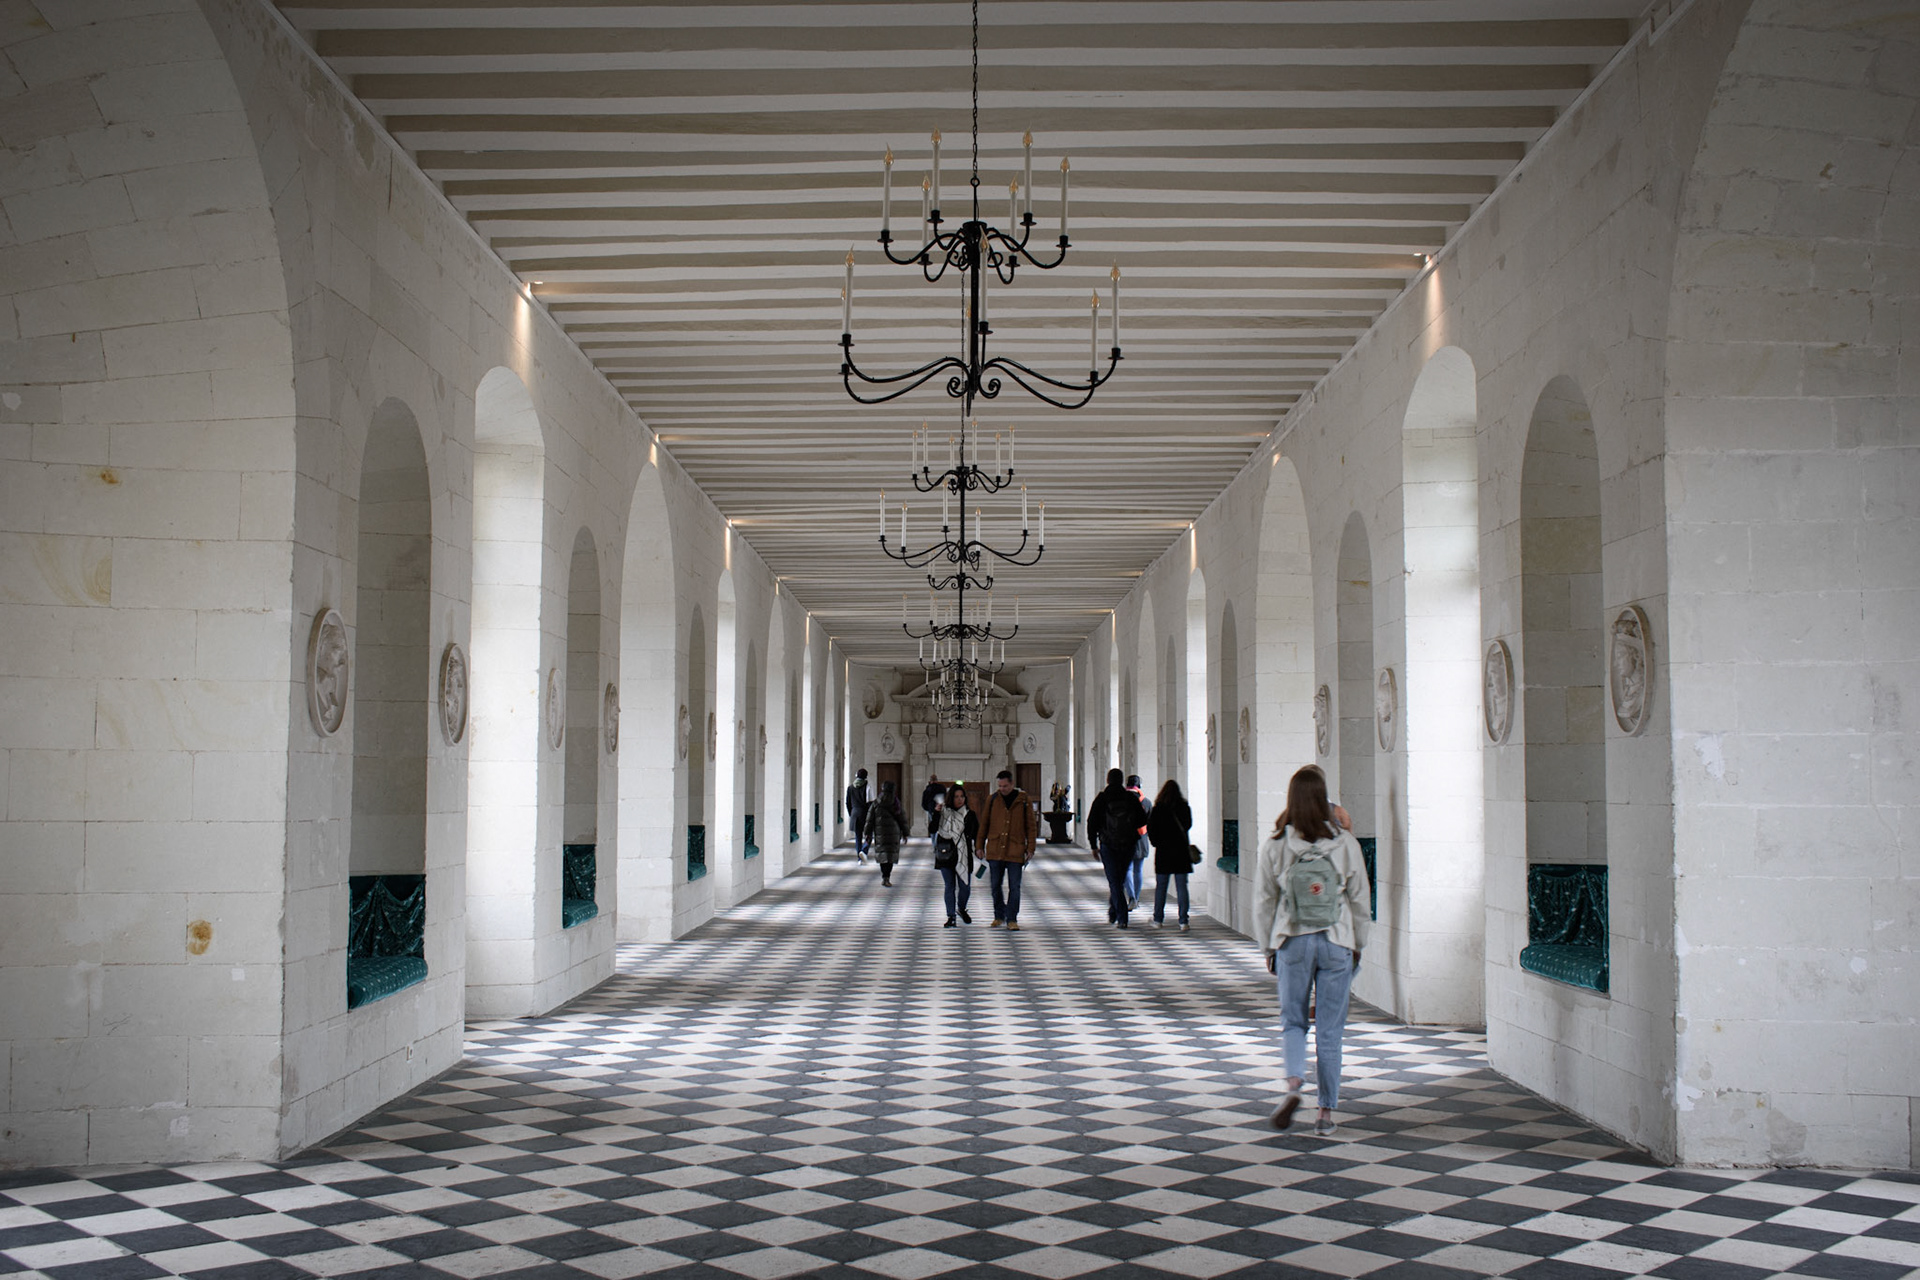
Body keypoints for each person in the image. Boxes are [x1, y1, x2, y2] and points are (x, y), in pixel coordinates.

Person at [1254, 765, 1372, 1137]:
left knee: (1293, 1022)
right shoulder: (1346, 844)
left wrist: (1268, 946)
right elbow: (1360, 900)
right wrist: (1358, 944)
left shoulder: (1275, 844)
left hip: (1293, 940)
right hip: (1337, 941)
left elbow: (1264, 901)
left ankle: (1293, 1085)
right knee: (1330, 1031)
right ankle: (1325, 1114)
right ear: (1324, 800)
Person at [1086, 768, 1147, 929]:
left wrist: (1093, 845)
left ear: (1108, 780)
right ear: (1121, 781)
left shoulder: (1102, 798)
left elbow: (1091, 823)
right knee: (1119, 880)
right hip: (1128, 845)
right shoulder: (1130, 798)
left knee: (1115, 881)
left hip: (1108, 844)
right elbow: (1142, 820)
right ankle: (1114, 911)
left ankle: (1122, 917)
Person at [979, 769, 1036, 929]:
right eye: (1000, 786)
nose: (1002, 789)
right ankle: (999, 915)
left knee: (1014, 887)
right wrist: (979, 846)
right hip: (995, 849)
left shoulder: (1023, 801)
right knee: (995, 885)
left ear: (1012, 784)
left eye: (1005, 786)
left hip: (1015, 849)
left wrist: (1031, 847)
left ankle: (1012, 918)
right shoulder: (992, 800)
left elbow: (1031, 826)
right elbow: (984, 824)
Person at [1146, 779, 1193, 931]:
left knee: (1161, 887)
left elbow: (1151, 829)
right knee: (1182, 887)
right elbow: (1188, 825)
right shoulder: (1184, 807)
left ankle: (1158, 919)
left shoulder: (1158, 809)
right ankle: (1183, 921)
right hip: (1181, 852)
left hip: (1164, 852)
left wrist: (1156, 843)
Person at [934, 785, 978, 928]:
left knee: (965, 887)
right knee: (949, 886)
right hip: (946, 854)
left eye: (962, 797)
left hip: (964, 855)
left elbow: (976, 833)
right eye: (956, 797)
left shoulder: (970, 815)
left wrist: (979, 848)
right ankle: (951, 916)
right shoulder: (943, 813)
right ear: (951, 798)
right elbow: (932, 828)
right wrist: (936, 813)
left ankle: (961, 908)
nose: (960, 800)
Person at [862, 780, 909, 888]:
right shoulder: (896, 803)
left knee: (883, 854)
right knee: (890, 855)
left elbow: (869, 820)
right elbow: (902, 819)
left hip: (880, 833)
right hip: (893, 833)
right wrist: (905, 833)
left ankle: (884, 876)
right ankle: (887, 877)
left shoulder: (876, 803)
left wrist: (867, 833)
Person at [1124, 774, 1152, 910]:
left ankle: (1132, 898)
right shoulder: (1146, 802)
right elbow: (1151, 824)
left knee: (1127, 870)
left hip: (1125, 839)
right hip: (1141, 839)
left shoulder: (1121, 800)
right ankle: (1137, 897)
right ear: (1139, 786)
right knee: (1138, 870)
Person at [845, 768, 872, 862]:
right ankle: (864, 850)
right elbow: (870, 802)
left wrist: (851, 813)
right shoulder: (867, 786)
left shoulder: (850, 788)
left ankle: (859, 858)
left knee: (858, 836)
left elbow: (848, 803)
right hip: (865, 814)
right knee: (869, 835)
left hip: (855, 814)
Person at [920, 772, 945, 839]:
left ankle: (934, 842)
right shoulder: (941, 788)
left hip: (932, 810)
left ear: (930, 781)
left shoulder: (927, 790)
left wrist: (929, 809)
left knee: (933, 826)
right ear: (937, 780)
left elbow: (924, 803)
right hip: (941, 809)